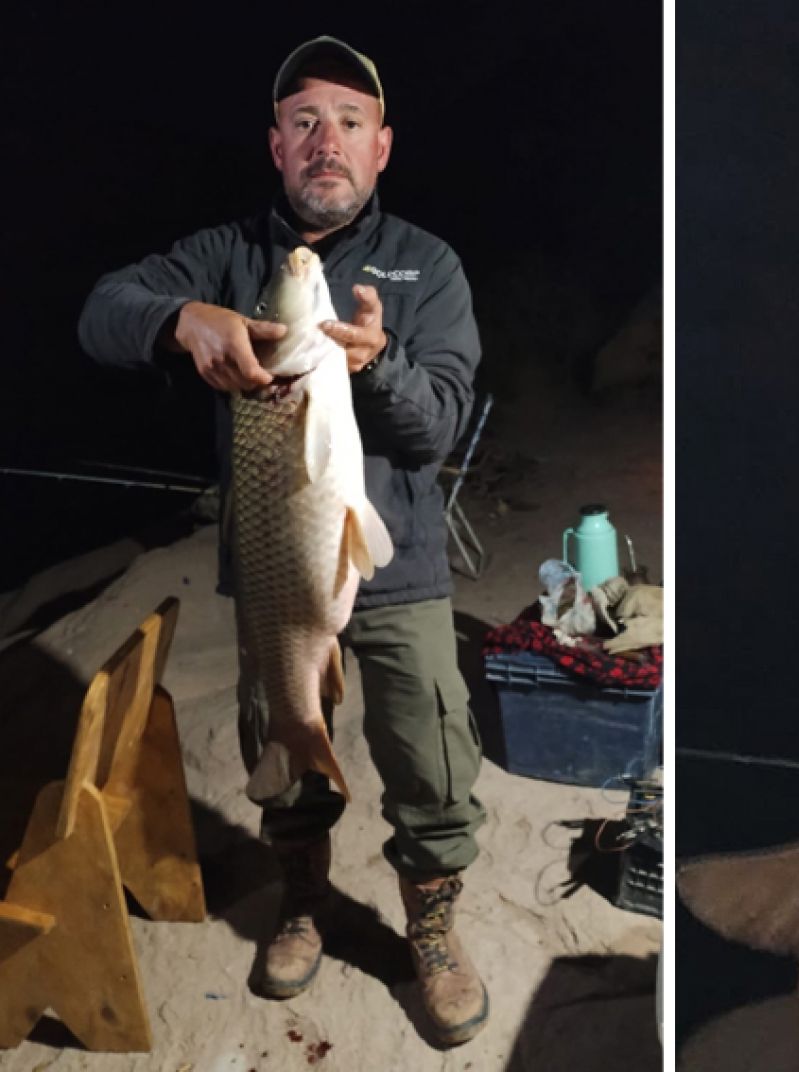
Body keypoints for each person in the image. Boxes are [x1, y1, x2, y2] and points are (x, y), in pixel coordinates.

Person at [77, 36, 489, 1047]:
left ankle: (430, 927)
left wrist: (377, 366)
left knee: (431, 767)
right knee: (287, 749)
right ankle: (302, 900)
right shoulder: (227, 256)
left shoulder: (427, 265)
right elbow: (99, 314)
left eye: (349, 123)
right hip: (270, 570)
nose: (326, 141)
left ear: (381, 147)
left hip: (395, 569)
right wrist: (181, 320)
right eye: (304, 122)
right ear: (275, 144)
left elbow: (436, 423)